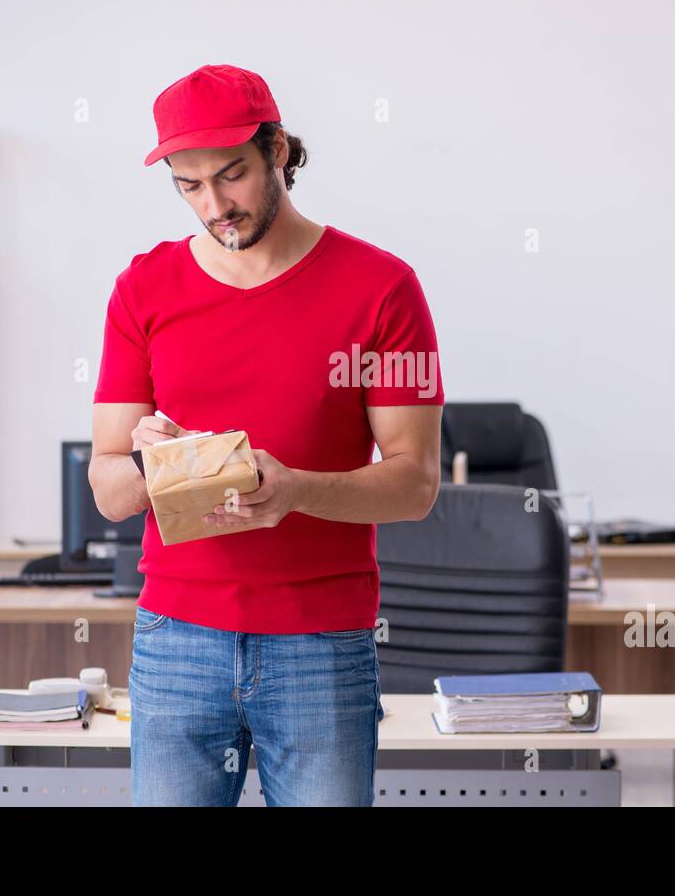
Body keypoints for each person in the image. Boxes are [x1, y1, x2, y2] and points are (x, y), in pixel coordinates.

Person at [88, 64, 445, 806]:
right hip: (177, 639)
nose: (215, 204)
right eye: (189, 185)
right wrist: (153, 463)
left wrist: (295, 493)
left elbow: (416, 484)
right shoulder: (142, 289)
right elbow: (109, 489)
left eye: (232, 175)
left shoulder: (383, 288)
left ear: (278, 149)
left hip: (322, 644)